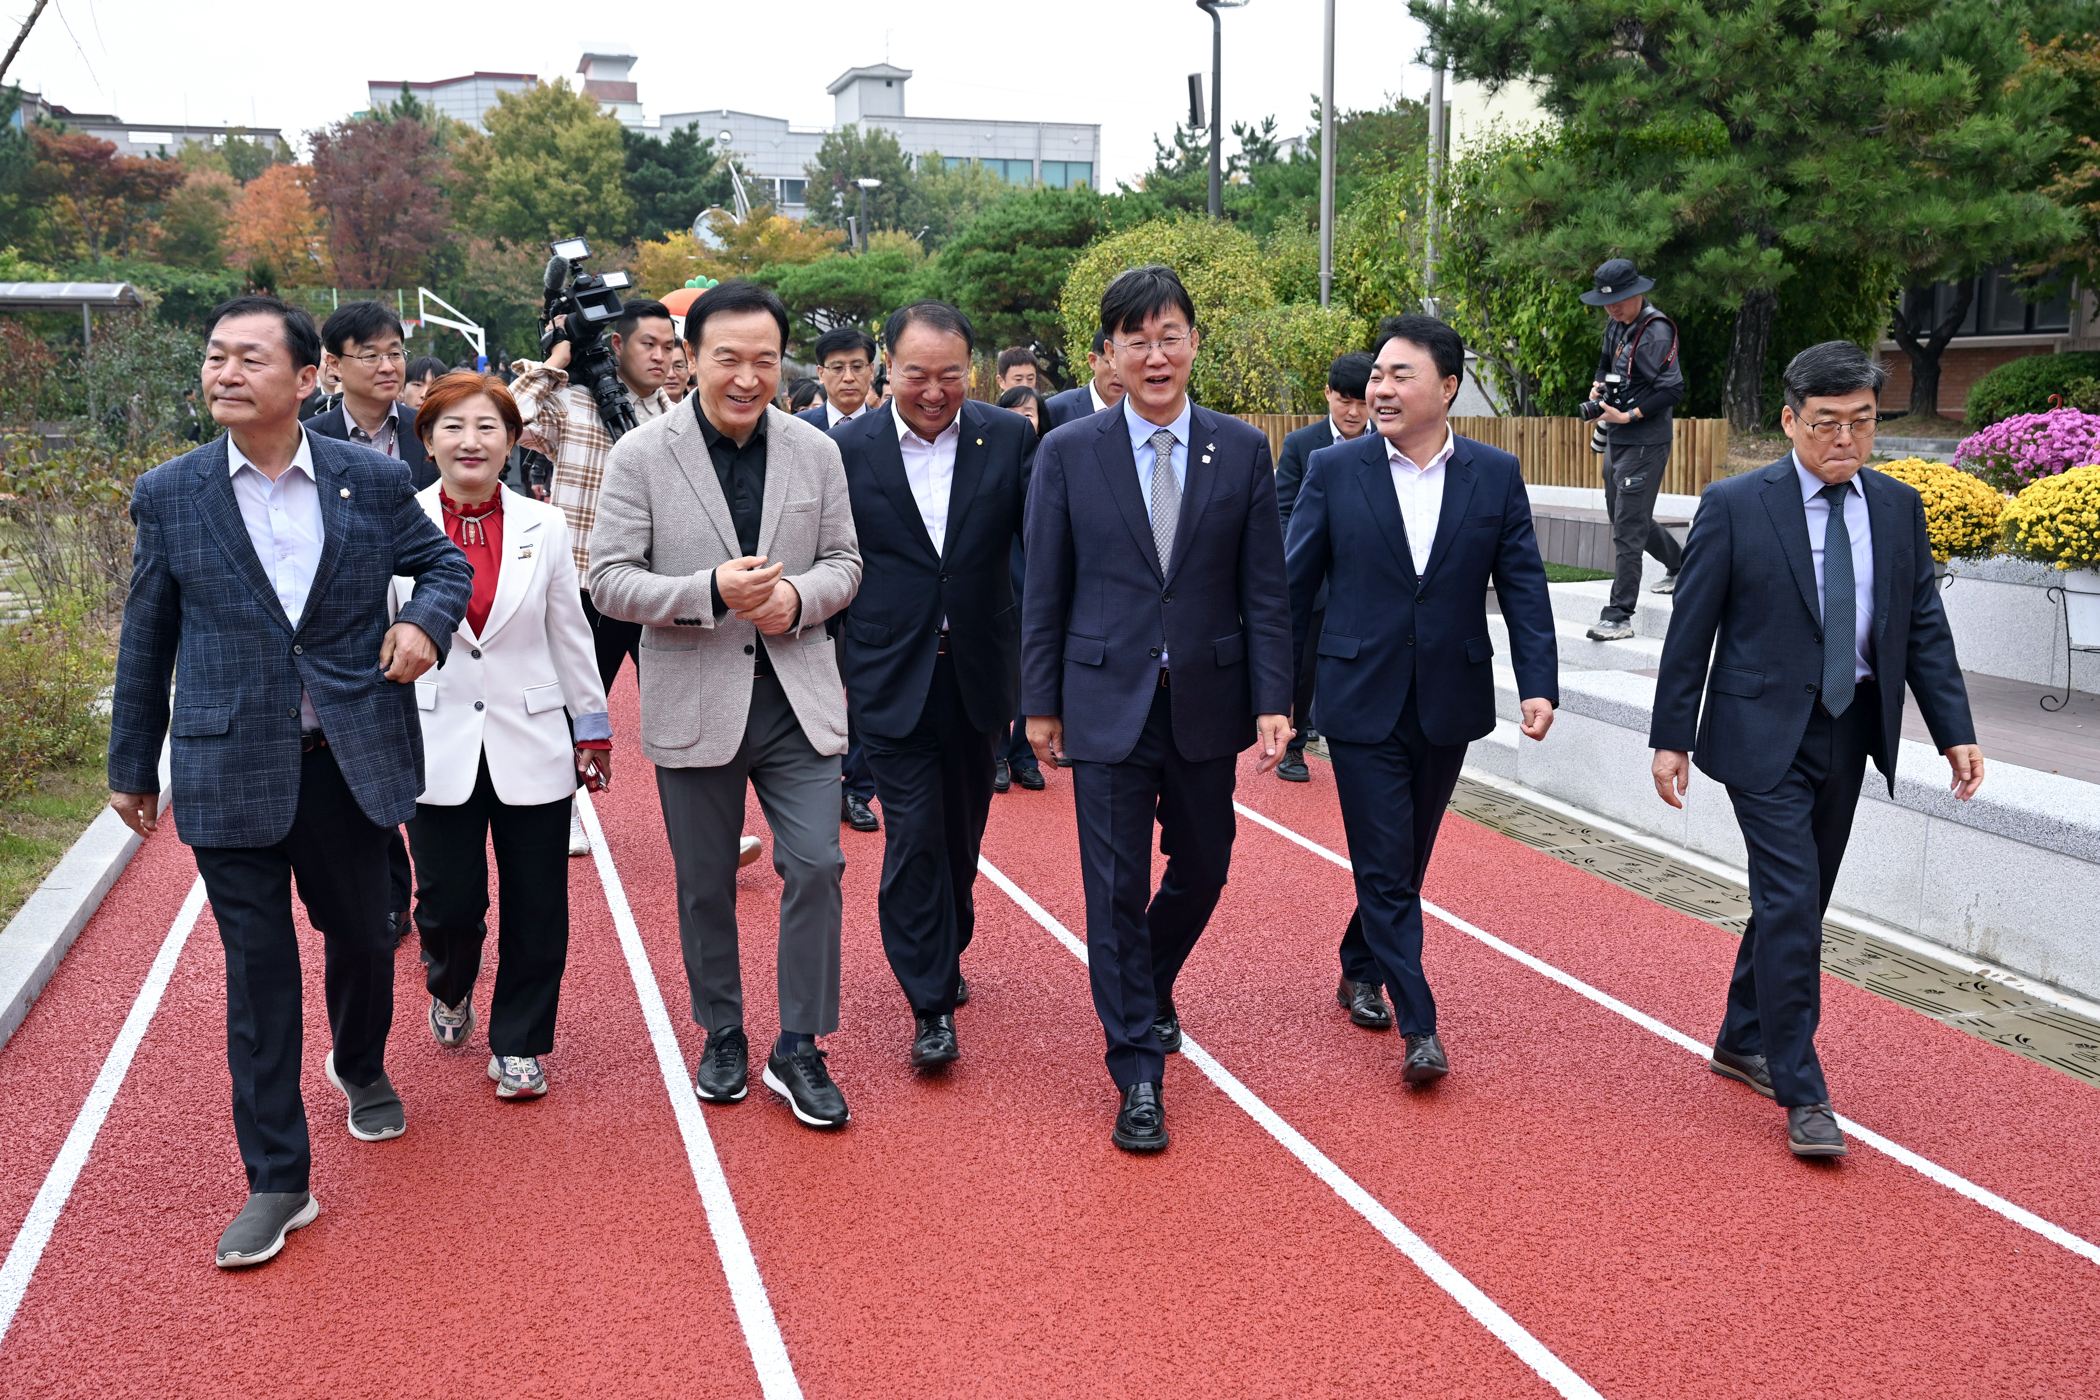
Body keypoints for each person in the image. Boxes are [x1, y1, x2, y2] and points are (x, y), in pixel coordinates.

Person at [106, 295, 472, 1269]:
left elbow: (442, 567)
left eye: (249, 358)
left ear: (306, 378)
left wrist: (424, 625)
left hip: (346, 762)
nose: (225, 372)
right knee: (257, 975)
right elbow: (149, 635)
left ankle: (357, 1062)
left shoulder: (369, 478)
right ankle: (278, 1178)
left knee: (363, 932)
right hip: (229, 766)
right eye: (215, 357)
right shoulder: (172, 493)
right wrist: (129, 762)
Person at [1649, 340, 1982, 1158]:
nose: (1845, 440)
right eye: (1826, 424)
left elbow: (1923, 627)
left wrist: (1956, 731)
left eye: (1862, 424)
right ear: (1791, 421)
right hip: (1759, 734)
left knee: (1798, 901)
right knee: (1795, 901)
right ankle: (1802, 1089)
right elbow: (1691, 633)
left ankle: (1740, 1034)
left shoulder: (1898, 509)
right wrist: (1670, 738)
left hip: (1851, 726)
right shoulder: (1734, 504)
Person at [1022, 264, 1294, 1153]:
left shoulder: (1244, 450)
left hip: (1208, 700)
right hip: (1103, 700)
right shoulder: (1068, 452)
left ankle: (1145, 975)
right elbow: (1045, 589)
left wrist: (1275, 698)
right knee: (1112, 890)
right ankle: (1137, 1070)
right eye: (1135, 339)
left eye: (1169, 335)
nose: (1154, 353)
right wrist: (1039, 703)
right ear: (1108, 355)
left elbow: (1267, 589)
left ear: (1194, 343)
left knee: (1207, 866)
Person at [589, 280, 863, 1131]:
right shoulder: (641, 455)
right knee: (705, 882)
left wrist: (801, 601)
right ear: (689, 359)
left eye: (765, 360)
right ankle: (723, 1029)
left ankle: (800, 1045)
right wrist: (706, 589)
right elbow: (608, 580)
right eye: (727, 359)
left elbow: (847, 563)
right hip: (694, 694)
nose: (748, 377)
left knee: (817, 864)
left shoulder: (817, 451)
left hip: (797, 696)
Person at [1286, 315, 1560, 1082]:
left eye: (1400, 374)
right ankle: (1419, 1024)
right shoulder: (1336, 472)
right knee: (1383, 861)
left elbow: (1525, 585)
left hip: (1450, 694)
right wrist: (1273, 694)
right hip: (1358, 695)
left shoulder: (1493, 474)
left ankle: (1355, 961)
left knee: (1405, 858)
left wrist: (1539, 681)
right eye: (1377, 374)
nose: (1380, 388)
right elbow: (1291, 585)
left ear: (1447, 387)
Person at [393, 372, 611, 1101]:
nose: (471, 441)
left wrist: (592, 726)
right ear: (427, 443)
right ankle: (450, 983)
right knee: (450, 904)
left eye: (488, 427)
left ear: (513, 442)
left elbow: (569, 633)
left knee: (539, 903)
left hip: (534, 736)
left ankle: (520, 1042)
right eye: (452, 426)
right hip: (435, 741)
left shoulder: (544, 527)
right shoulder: (397, 523)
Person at [834, 301, 1035, 1069]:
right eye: (915, 374)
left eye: (949, 375)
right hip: (890, 671)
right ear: (888, 367)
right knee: (914, 835)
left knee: (962, 834)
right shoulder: (847, 448)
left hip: (980, 670)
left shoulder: (1009, 436)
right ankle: (928, 1000)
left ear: (971, 373)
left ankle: (948, 940)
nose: (932, 390)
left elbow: (1039, 548)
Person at [510, 296, 677, 855]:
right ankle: (567, 810)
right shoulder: (572, 405)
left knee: (684, 701)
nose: (661, 356)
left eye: (669, 345)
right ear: (615, 346)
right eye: (648, 344)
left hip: (653, 585)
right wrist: (557, 357)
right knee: (580, 703)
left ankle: (703, 822)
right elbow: (506, 418)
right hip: (585, 582)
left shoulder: (671, 415)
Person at [307, 301, 442, 936]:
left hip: (431, 617)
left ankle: (440, 898)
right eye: (371, 354)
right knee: (368, 766)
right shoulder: (311, 441)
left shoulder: (429, 430)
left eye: (396, 352)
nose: (389, 365)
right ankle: (390, 893)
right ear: (332, 365)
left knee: (436, 772)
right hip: (354, 624)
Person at [1271, 351, 1373, 785]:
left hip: (1369, 574)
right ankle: (1294, 746)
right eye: (1344, 400)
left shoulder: (1389, 440)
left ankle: (1359, 741)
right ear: (1327, 394)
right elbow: (1282, 511)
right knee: (1303, 664)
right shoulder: (1300, 445)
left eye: (1361, 401)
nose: (1353, 412)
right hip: (1315, 574)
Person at [1581, 258, 1686, 641]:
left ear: (1638, 292)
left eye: (1620, 300)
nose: (1613, 307)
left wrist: (1630, 416)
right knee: (1624, 515)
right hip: (1618, 437)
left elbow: (1674, 390)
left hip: (1644, 439)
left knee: (1628, 524)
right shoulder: (1616, 324)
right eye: (1607, 302)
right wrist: (1597, 388)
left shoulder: (1655, 331)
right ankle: (1680, 563)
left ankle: (1619, 615)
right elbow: (1604, 365)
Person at [992, 383, 1051, 795]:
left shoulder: (1055, 453)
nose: (1021, 419)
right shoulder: (991, 456)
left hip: (1040, 572)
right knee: (1003, 667)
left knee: (1034, 666)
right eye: (1013, 412)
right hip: (1002, 571)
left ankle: (1024, 756)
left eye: (1028, 412)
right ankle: (996, 752)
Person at [798, 326, 878, 430]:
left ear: (871, 371)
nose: (848, 378)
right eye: (838, 368)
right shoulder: (799, 427)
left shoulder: (889, 427)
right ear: (821, 374)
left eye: (857, 367)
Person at [1042, 327, 1124, 428]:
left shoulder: (1144, 410)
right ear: (1093, 361)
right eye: (1111, 363)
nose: (1119, 373)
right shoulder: (1058, 409)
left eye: (1126, 365)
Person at [664, 340, 691, 405]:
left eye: (678, 366)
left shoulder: (699, 410)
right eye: (665, 366)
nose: (671, 375)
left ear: (688, 373)